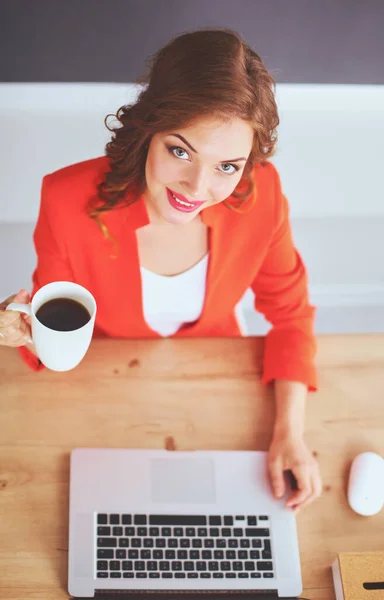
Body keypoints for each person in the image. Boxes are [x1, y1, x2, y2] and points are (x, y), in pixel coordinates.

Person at [0, 28, 322, 511]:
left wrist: (289, 434)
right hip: (106, 381)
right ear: (149, 127)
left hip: (216, 376)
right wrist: (26, 328)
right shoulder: (67, 199)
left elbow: (291, 316)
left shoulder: (263, 196)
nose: (197, 186)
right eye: (180, 150)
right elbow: (53, 325)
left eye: (227, 166)